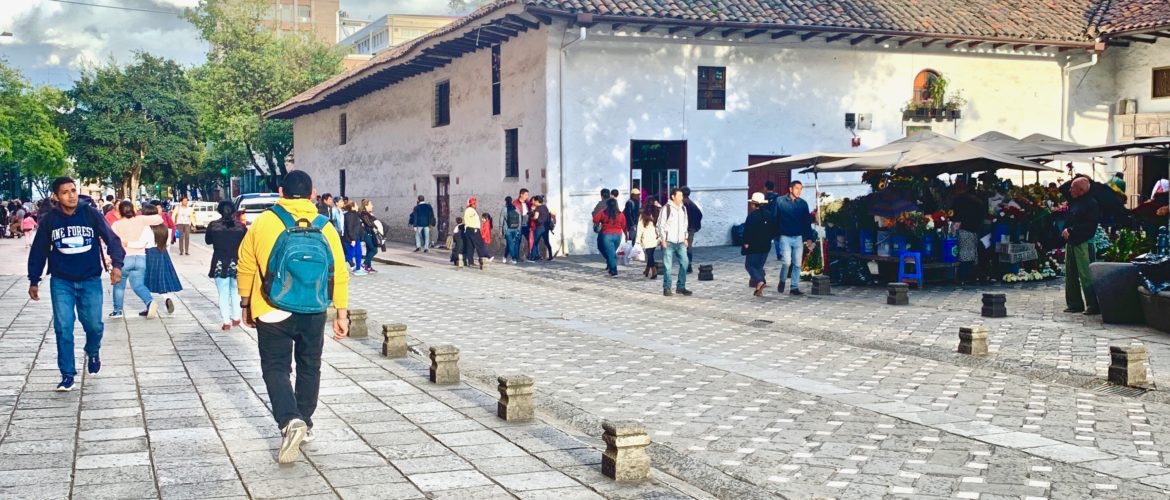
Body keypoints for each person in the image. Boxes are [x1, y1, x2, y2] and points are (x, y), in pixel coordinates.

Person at [237, 170, 350, 464]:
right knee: (310, 365)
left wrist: (246, 303)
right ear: (312, 194)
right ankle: (306, 421)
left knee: (276, 367)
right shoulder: (325, 226)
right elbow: (339, 272)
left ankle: (289, 420)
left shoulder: (263, 223)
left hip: (271, 306)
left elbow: (246, 264)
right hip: (314, 308)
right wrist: (342, 312)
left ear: (280, 192)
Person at [27, 176, 125, 392]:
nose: (71, 195)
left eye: (73, 190)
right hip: (62, 281)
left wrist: (116, 265)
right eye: (65, 192)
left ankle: (93, 350)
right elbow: (39, 250)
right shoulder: (50, 220)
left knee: (94, 326)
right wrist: (34, 279)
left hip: (90, 280)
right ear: (56, 197)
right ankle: (67, 374)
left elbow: (112, 239)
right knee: (63, 327)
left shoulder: (90, 214)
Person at [110, 201, 164, 318]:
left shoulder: (116, 225)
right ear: (133, 209)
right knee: (138, 285)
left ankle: (117, 311)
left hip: (124, 258)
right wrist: (142, 217)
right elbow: (159, 219)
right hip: (140, 258)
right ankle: (149, 302)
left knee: (119, 286)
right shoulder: (141, 220)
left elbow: (111, 243)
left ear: (120, 211)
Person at [1063, 177, 1101, 315]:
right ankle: (1074, 303)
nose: (1070, 189)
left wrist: (1071, 230)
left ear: (1081, 190)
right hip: (1072, 242)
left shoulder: (1091, 203)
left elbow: (1090, 226)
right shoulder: (1076, 201)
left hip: (1084, 242)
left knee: (1086, 274)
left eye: (1073, 187)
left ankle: (1093, 304)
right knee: (1070, 274)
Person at [206, 201, 246, 331]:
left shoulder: (213, 226)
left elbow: (208, 241)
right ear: (234, 211)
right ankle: (236, 317)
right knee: (235, 291)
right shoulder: (241, 227)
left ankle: (226, 321)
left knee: (223, 293)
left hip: (219, 262)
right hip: (236, 262)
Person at [138, 204, 182, 316]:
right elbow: (167, 242)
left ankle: (149, 305)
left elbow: (142, 243)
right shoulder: (163, 226)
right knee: (160, 278)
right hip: (162, 252)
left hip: (150, 253)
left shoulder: (147, 228)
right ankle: (166, 297)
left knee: (146, 280)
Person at [774, 181, 813, 295]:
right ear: (790, 189)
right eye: (797, 188)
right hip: (785, 236)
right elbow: (774, 218)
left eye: (801, 189)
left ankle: (794, 287)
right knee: (786, 261)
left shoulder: (803, 204)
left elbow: (807, 222)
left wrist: (809, 237)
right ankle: (782, 280)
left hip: (798, 237)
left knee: (797, 264)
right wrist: (776, 234)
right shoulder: (780, 201)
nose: (799, 191)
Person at [656, 188, 692, 297]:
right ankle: (667, 287)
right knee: (668, 266)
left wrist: (685, 238)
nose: (681, 198)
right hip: (669, 241)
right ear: (673, 196)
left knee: (685, 263)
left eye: (682, 196)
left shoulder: (683, 209)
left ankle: (681, 287)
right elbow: (660, 225)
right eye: (679, 196)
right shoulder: (666, 209)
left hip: (680, 241)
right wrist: (663, 239)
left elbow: (685, 224)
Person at [743, 192, 774, 297]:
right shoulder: (769, 214)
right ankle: (758, 289)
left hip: (754, 245)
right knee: (759, 266)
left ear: (753, 204)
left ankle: (760, 281)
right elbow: (773, 230)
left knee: (750, 265)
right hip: (766, 245)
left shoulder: (752, 216)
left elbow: (747, 231)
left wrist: (746, 243)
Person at [592, 198, 627, 277]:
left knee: (611, 253)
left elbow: (595, 220)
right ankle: (611, 265)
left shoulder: (604, 212)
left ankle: (613, 270)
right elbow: (624, 225)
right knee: (612, 252)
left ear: (607, 205)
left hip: (606, 235)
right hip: (618, 235)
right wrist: (626, 235)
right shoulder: (620, 214)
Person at [462, 197, 492, 268]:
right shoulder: (471, 211)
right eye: (474, 204)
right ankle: (485, 257)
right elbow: (472, 220)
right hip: (473, 229)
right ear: (471, 204)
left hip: (469, 230)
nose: (476, 205)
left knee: (470, 246)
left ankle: (470, 261)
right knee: (480, 244)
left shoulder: (468, 210)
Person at [634, 203, 660, 279]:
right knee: (650, 254)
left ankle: (654, 270)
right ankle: (647, 270)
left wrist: (637, 240)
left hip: (646, 237)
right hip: (655, 237)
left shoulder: (643, 215)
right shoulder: (657, 214)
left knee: (649, 255)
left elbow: (640, 229)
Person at [682, 187, 703, 273]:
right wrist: (695, 226)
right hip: (691, 229)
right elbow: (699, 215)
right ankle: (688, 264)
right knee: (688, 247)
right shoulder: (692, 204)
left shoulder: (683, 204)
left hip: (684, 229)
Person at [342, 200, 366, 275]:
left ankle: (358, 268)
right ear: (352, 207)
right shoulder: (349, 216)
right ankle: (337, 264)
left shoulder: (356, 214)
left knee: (359, 253)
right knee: (350, 254)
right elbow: (349, 228)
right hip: (350, 239)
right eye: (356, 205)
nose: (357, 206)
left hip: (356, 237)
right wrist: (352, 239)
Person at [358, 199, 382, 273]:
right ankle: (365, 264)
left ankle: (368, 266)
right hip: (366, 233)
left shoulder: (369, 214)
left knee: (369, 250)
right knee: (374, 250)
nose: (372, 206)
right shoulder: (364, 214)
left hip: (371, 233)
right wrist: (375, 225)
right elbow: (369, 223)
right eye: (371, 204)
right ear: (366, 206)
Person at [529, 196, 553, 261]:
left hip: (539, 227)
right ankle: (550, 256)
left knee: (535, 242)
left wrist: (531, 217)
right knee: (547, 242)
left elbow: (536, 217)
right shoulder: (545, 207)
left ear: (537, 201)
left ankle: (532, 258)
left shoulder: (538, 208)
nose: (534, 202)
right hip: (546, 227)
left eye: (535, 201)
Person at [501, 196, 522, 264]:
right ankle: (505, 256)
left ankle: (513, 258)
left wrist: (500, 230)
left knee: (510, 244)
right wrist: (519, 229)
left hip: (507, 229)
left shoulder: (504, 209)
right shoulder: (516, 209)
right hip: (515, 229)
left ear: (505, 201)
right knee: (510, 244)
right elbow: (519, 220)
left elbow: (501, 220)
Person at [514, 189, 532, 260]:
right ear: (521, 194)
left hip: (527, 224)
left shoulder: (528, 203)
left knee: (530, 240)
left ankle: (530, 255)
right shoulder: (515, 203)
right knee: (517, 241)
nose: (527, 196)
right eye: (526, 195)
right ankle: (516, 257)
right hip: (519, 225)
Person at [592, 188, 610, 254]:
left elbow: (594, 214)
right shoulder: (613, 203)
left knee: (600, 245)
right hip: (614, 229)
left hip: (604, 228)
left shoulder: (600, 204)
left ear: (602, 196)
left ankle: (610, 259)